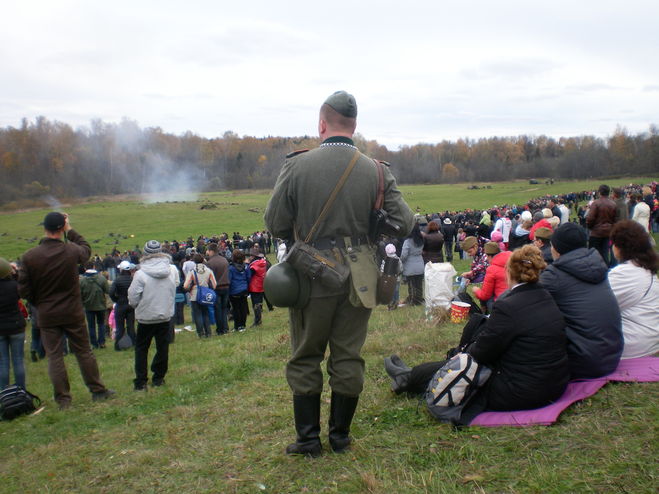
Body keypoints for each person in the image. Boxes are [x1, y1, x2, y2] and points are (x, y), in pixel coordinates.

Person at [264, 90, 413, 457]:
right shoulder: (377, 170)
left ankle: (309, 440)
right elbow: (406, 222)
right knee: (348, 356)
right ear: (354, 126)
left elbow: (274, 222)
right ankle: (341, 437)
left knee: (305, 354)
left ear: (321, 124)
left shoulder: (297, 166)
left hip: (310, 274)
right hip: (359, 277)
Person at [385, 245, 569, 418]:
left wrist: (461, 354)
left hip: (523, 390)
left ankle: (409, 376)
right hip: (554, 382)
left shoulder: (509, 306)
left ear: (509, 273)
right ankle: (408, 375)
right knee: (461, 360)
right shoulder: (546, 297)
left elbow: (482, 353)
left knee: (461, 367)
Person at [18, 212, 114, 409]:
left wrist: (40, 302)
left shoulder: (29, 256)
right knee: (84, 352)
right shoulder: (70, 251)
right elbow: (86, 249)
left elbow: (23, 289)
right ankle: (97, 390)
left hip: (46, 313)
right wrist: (70, 229)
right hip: (72, 311)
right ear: (61, 228)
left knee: (55, 356)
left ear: (44, 228)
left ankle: (63, 399)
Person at [539, 223, 623, 379]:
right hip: (612, 355)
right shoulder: (598, 264)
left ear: (556, 249)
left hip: (583, 362)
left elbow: (521, 302)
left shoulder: (554, 276)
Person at [128, 240, 179, 390]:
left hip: (146, 316)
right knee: (163, 347)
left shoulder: (140, 273)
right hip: (165, 314)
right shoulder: (172, 270)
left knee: (142, 349)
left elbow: (132, 297)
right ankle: (159, 377)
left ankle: (141, 381)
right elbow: (175, 285)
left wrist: (137, 306)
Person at [608, 221, 659, 359]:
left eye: (614, 243)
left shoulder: (623, 274)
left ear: (621, 247)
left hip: (632, 346)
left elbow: (598, 307)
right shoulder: (646, 269)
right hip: (650, 340)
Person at [0, 258, 26, 389]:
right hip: (16, 325)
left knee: (2, 363)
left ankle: (4, 393)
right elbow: (22, 289)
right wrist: (15, 273)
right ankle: (21, 390)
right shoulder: (13, 285)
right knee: (18, 360)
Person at [183, 253, 217, 338]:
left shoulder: (192, 272)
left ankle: (200, 333)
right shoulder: (209, 271)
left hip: (195, 295)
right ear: (203, 260)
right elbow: (215, 284)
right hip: (205, 295)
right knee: (205, 313)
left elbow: (185, 286)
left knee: (197, 314)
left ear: (194, 261)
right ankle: (208, 332)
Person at [472, 242, 511, 312]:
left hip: (501, 307)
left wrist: (476, 290)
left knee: (485, 291)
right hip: (517, 303)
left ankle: (485, 312)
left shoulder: (492, 269)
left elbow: (485, 295)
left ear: (489, 256)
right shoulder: (513, 262)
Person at [79, 264, 110, 349]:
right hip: (101, 305)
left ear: (85, 268)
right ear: (94, 267)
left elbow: (79, 295)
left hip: (88, 306)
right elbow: (107, 291)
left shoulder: (81, 281)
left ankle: (93, 344)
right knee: (101, 324)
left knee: (91, 326)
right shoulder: (102, 278)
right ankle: (102, 342)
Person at [586, 184, 617, 265]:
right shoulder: (613, 204)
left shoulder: (596, 203)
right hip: (608, 232)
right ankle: (605, 270)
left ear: (599, 192)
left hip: (596, 233)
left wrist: (590, 227)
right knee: (605, 253)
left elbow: (590, 218)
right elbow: (615, 219)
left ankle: (595, 270)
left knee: (593, 254)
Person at [109, 260, 136, 350]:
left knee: (120, 326)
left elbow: (111, 292)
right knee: (131, 326)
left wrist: (116, 300)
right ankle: (134, 343)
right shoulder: (132, 279)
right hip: (131, 304)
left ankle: (118, 346)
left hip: (120, 304)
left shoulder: (117, 280)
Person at [205, 243, 230, 335]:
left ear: (211, 251)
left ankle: (220, 329)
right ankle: (226, 327)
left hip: (216, 288)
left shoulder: (210, 263)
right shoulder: (224, 260)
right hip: (226, 286)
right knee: (224, 309)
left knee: (217, 309)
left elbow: (209, 278)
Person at [401, 223, 425, 305]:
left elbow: (404, 255)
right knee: (419, 285)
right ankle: (419, 299)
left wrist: (401, 261)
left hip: (410, 265)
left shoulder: (407, 242)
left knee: (411, 285)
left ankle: (413, 300)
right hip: (420, 263)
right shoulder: (421, 240)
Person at [228, 249, 251, 332]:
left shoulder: (231, 268)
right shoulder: (246, 267)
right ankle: (242, 325)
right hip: (244, 289)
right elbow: (249, 278)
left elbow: (229, 280)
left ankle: (237, 326)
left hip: (234, 291)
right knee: (243, 308)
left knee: (236, 309)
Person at [248, 249, 268, 327]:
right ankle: (258, 320)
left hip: (255, 287)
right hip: (261, 285)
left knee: (255, 305)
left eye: (250, 256)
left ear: (253, 257)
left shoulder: (253, 266)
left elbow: (249, 276)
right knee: (259, 304)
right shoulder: (262, 263)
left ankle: (257, 321)